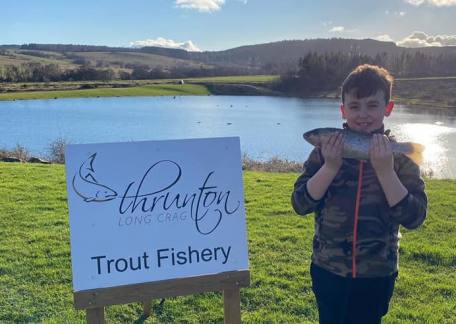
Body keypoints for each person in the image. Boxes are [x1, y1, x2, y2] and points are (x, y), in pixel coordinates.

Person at [291, 64, 427, 324]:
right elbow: (300, 203)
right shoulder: (324, 152)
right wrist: (330, 167)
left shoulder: (401, 158)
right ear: (343, 110)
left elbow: (415, 218)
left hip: (377, 275)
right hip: (327, 270)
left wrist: (385, 171)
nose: (363, 114)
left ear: (388, 108)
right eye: (354, 106)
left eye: (372, 105)